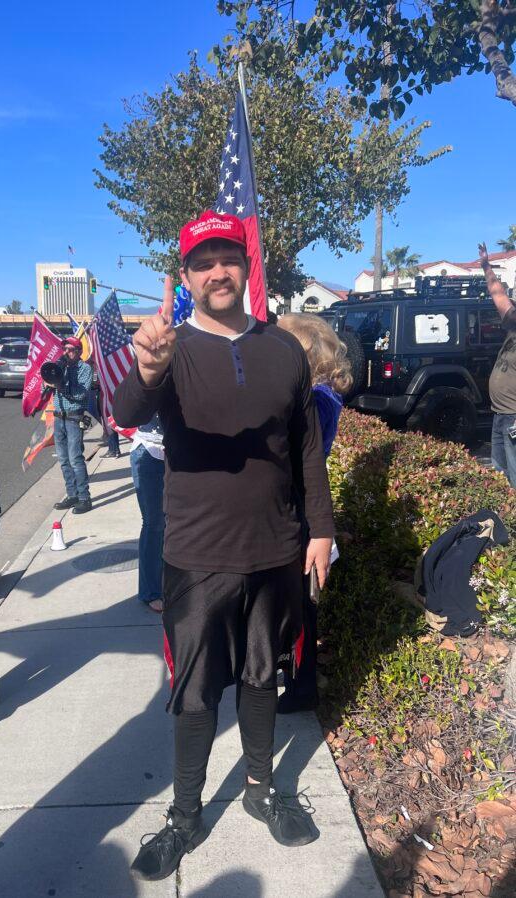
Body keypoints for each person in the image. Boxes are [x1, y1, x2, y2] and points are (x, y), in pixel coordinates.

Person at [113, 211, 335, 880]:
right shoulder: (171, 348)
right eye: (202, 262)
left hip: (275, 549)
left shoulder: (284, 349)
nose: (217, 271)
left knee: (264, 676)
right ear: (186, 276)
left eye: (228, 259)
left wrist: (320, 529)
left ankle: (261, 791)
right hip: (197, 555)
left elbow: (305, 448)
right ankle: (185, 815)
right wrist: (147, 368)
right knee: (196, 692)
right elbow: (124, 413)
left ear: (246, 267)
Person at [276, 313, 353, 712]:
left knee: (301, 604)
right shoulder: (320, 395)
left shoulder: (317, 400)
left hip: (303, 507)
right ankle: (292, 673)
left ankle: (302, 686)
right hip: (300, 503)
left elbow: (299, 455)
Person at [479, 243, 516, 486]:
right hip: (500, 414)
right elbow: (498, 294)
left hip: (514, 417)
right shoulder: (513, 327)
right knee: (500, 471)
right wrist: (486, 266)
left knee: (514, 470)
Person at [52, 336, 93, 514]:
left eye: (71, 350)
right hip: (58, 417)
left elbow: (80, 395)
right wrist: (49, 381)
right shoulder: (60, 367)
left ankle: (84, 498)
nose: (66, 353)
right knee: (63, 460)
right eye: (65, 349)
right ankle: (72, 495)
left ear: (79, 352)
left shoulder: (85, 369)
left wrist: (61, 387)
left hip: (74, 418)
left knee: (75, 458)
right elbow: (46, 387)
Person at [129, 414, 165, 613]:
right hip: (150, 453)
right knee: (155, 523)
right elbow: (125, 414)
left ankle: (172, 582)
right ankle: (151, 591)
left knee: (178, 522)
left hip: (180, 451)